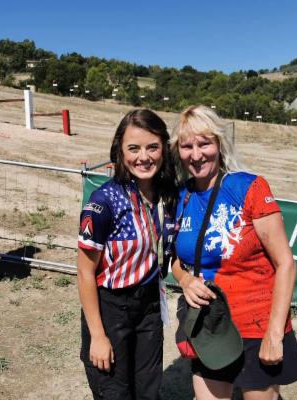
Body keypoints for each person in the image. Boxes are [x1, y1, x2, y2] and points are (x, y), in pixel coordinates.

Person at [170, 105, 297, 400]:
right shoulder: (181, 196)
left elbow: (286, 264)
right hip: (211, 326)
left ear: (219, 144)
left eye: (204, 143)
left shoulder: (249, 187)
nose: (196, 155)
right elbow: (176, 260)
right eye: (187, 146)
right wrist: (185, 280)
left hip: (257, 326)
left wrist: (274, 334)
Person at [77, 109, 177, 400]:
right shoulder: (103, 202)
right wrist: (98, 336)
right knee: (114, 392)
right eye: (133, 148)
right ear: (119, 151)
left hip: (149, 306)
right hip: (111, 308)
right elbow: (84, 272)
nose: (143, 157)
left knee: (148, 391)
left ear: (164, 149)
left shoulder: (168, 196)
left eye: (152, 147)